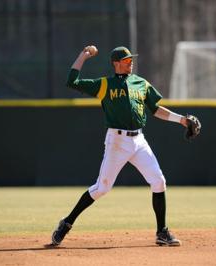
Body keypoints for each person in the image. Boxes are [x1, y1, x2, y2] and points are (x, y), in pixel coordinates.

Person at [49, 45, 191, 247]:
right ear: (116, 63)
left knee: (159, 181)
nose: (130, 62)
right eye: (126, 60)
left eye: (131, 59)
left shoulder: (140, 83)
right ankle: (67, 222)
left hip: (139, 141)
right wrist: (83, 56)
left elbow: (156, 110)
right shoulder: (105, 85)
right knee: (102, 188)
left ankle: (162, 232)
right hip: (117, 141)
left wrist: (182, 120)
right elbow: (72, 81)